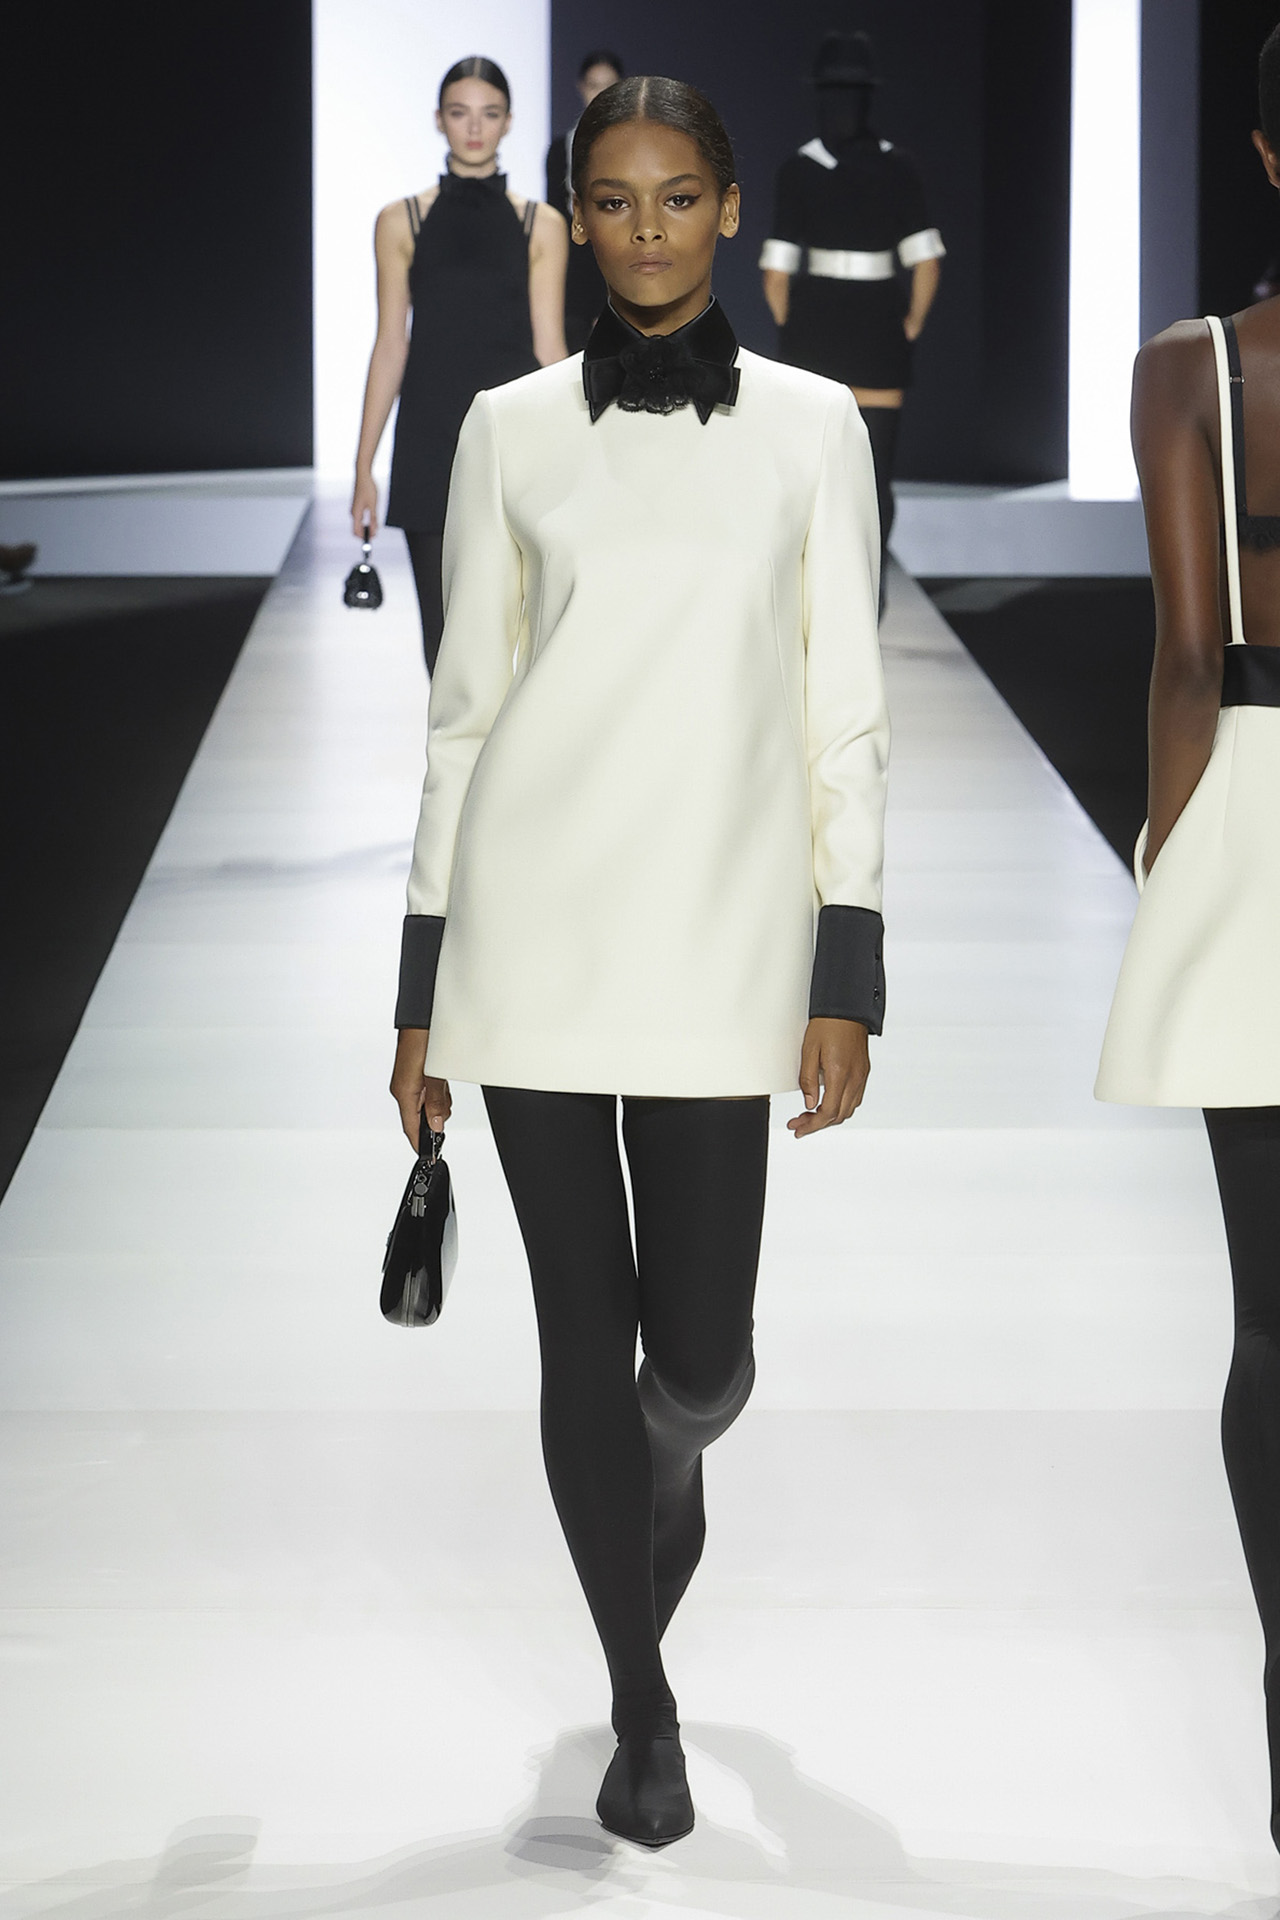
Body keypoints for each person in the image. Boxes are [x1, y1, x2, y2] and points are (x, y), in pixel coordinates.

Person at [390, 76, 887, 1848]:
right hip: (532, 931)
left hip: (723, 941)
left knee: (700, 1361)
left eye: (680, 196)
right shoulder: (509, 429)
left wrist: (847, 962)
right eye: (615, 199)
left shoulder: (814, 428)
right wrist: (421, 987)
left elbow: (845, 706)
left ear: (731, 209)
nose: (650, 228)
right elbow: (464, 718)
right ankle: (642, 1705)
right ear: (577, 217)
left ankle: (672, 1458)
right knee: (578, 1338)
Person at [1095, 22, 1280, 1853]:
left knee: (1276, 1310)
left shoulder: (1196, 368)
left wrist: (1171, 867)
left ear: (1264, 153)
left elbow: (1184, 659)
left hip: (1260, 828)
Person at [350, 56, 567, 671]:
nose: (474, 128)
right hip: (429, 440)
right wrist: (364, 465)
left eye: (489, 114)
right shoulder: (401, 221)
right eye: (460, 113)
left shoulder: (541, 225)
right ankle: (454, 741)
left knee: (512, 633)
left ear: (509, 122)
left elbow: (549, 348)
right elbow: (390, 344)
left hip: (513, 441)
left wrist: (578, 453)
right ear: (439, 119)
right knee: (442, 639)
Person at [760, 30, 944, 601]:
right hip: (874, 332)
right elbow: (927, 261)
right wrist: (907, 327)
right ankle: (867, 595)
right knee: (874, 475)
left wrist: (794, 328)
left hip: (816, 333)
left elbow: (775, 274)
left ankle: (818, 596)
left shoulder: (799, 168)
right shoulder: (898, 166)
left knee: (813, 476)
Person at [546, 49, 625, 350]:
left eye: (609, 86)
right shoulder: (561, 149)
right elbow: (555, 219)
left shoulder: (638, 148)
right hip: (576, 281)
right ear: (581, 87)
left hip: (624, 268)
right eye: (593, 86)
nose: (600, 95)